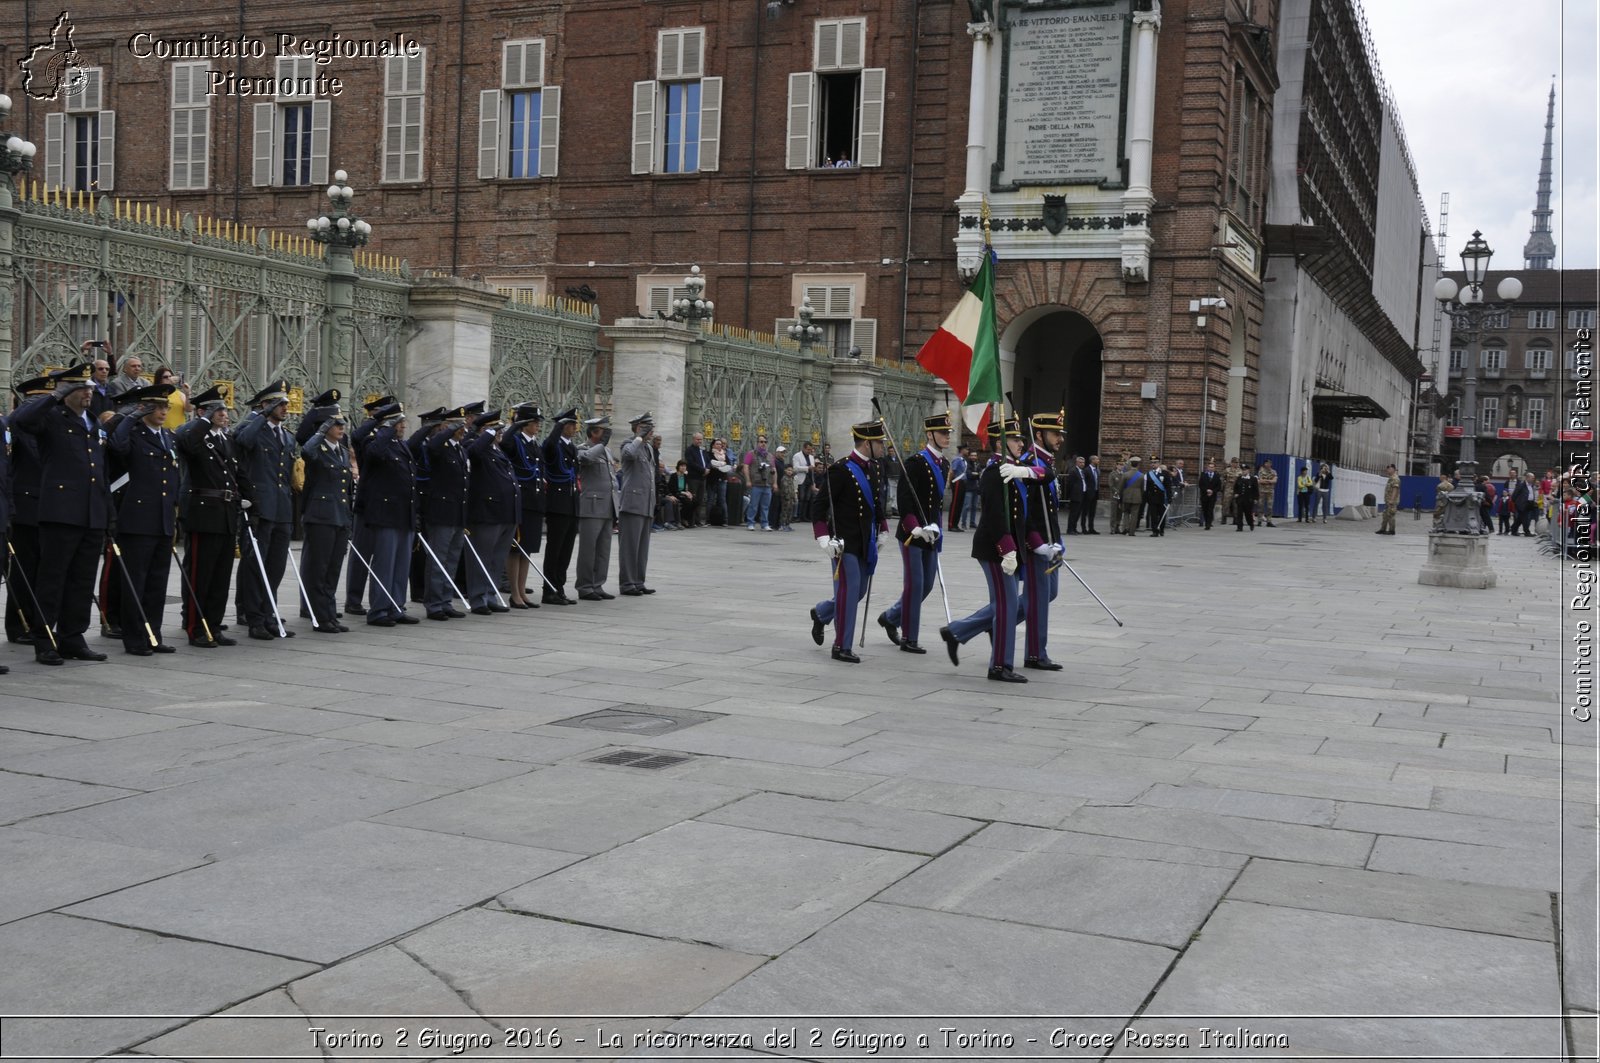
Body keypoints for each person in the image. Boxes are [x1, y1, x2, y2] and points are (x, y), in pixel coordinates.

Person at [10, 364, 112, 665]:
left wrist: (108, 513)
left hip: (91, 512)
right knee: (52, 579)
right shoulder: (52, 418)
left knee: (82, 580)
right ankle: (45, 639)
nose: (88, 393)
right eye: (81, 388)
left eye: (90, 388)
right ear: (66, 390)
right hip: (61, 512)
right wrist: (55, 395)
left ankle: (73, 637)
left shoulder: (93, 422)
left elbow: (99, 472)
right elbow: (20, 419)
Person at [938, 415, 1032, 683]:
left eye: (1021, 440)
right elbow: (992, 515)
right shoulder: (994, 472)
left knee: (1006, 604)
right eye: (1015, 440)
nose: (1021, 444)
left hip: (1008, 548)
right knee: (1007, 606)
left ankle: (957, 632)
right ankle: (999, 666)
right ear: (1001, 443)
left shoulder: (1010, 469)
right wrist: (1007, 549)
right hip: (995, 549)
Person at [104, 383, 181, 655]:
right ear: (144, 407)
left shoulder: (168, 438)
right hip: (137, 518)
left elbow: (172, 476)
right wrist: (132, 416)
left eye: (165, 407)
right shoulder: (133, 434)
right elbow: (116, 445)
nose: (162, 411)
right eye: (156, 406)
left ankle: (153, 634)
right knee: (135, 581)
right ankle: (134, 637)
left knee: (157, 583)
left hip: (161, 519)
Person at [809, 419, 889, 663]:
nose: (883, 447)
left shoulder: (875, 467)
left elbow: (876, 503)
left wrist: (883, 528)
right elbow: (819, 506)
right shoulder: (841, 469)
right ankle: (841, 646)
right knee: (850, 589)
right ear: (867, 443)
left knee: (858, 592)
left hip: (866, 541)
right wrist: (823, 539)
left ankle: (822, 613)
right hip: (843, 543)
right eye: (879, 443)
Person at [173, 385, 242, 648]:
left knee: (220, 577)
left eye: (224, 409)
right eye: (218, 410)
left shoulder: (225, 438)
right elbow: (186, 444)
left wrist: (251, 501)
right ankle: (196, 627)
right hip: (204, 512)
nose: (225, 414)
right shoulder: (193, 433)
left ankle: (214, 624)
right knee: (200, 576)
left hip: (225, 513)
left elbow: (237, 472)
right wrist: (203, 420)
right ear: (203, 412)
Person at [878, 412, 951, 655]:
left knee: (927, 584)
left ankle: (890, 617)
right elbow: (905, 498)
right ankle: (909, 637)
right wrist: (915, 526)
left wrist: (935, 527)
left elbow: (936, 503)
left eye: (948, 433)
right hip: (913, 533)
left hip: (931, 533)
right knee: (915, 584)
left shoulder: (945, 464)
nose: (946, 436)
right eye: (942, 433)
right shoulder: (916, 462)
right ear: (930, 435)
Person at [232, 381, 297, 640]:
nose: (284, 407)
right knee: (254, 564)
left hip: (282, 509)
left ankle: (269, 613)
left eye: (284, 403)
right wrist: (261, 415)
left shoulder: (286, 435)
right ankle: (253, 617)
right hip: (260, 507)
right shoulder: (252, 428)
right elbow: (242, 441)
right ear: (264, 405)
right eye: (278, 403)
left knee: (275, 566)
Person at [357, 403, 419, 627]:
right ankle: (379, 609)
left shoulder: (400, 445)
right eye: (399, 422)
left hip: (404, 513)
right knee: (385, 563)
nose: (403, 426)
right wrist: (385, 429)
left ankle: (396, 606)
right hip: (385, 513)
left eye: (402, 422)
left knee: (401, 564)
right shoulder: (374, 442)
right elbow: (373, 454)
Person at [5, 376, 53, 649]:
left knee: (44, 569)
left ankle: (38, 621)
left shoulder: (47, 426)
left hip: (47, 504)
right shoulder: (17, 426)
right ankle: (18, 623)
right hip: (25, 505)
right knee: (24, 569)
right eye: (36, 400)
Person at [1017, 411, 1065, 670]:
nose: (1059, 439)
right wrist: (1038, 544)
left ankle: (990, 622)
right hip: (1037, 545)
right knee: (1038, 598)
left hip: (1050, 543)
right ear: (1039, 435)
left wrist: (1057, 542)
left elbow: (1051, 510)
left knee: (1050, 593)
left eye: (1060, 434)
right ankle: (1036, 654)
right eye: (1055, 434)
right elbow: (1027, 511)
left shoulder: (1047, 462)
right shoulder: (1028, 463)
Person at [298, 413, 354, 632]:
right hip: (320, 516)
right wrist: (320, 432)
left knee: (333, 569)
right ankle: (319, 616)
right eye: (336, 424)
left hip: (339, 516)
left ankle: (329, 613)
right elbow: (305, 452)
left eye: (342, 424)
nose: (341, 428)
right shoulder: (318, 448)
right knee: (318, 570)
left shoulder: (341, 451)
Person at [341, 395, 394, 617]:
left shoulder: (388, 434)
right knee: (361, 553)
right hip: (367, 500)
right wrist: (377, 422)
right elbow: (358, 439)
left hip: (386, 502)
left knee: (382, 554)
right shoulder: (368, 433)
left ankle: (382, 598)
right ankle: (353, 599)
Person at [418, 408, 470, 621]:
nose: (461, 429)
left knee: (452, 559)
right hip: (441, 511)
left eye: (462, 425)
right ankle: (434, 603)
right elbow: (432, 446)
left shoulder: (460, 449)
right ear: (445, 426)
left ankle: (446, 599)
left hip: (458, 512)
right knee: (438, 559)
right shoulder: (440, 446)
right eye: (456, 425)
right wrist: (448, 431)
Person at [465, 409, 518, 614]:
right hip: (486, 513)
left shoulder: (497, 450)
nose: (498, 433)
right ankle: (478, 598)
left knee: (497, 558)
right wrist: (486, 434)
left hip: (505, 513)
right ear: (484, 430)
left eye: (498, 429)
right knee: (482, 556)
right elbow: (473, 453)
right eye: (494, 429)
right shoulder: (475, 446)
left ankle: (490, 593)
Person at [501, 403, 546, 608]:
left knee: (527, 549)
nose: (537, 426)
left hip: (534, 501)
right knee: (516, 549)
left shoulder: (535, 444)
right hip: (521, 501)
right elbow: (505, 444)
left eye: (537, 422)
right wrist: (514, 425)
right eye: (534, 422)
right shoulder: (516, 441)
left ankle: (522, 590)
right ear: (525, 423)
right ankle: (514, 593)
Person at [575, 416, 618, 600]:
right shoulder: (583, 449)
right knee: (588, 549)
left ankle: (597, 584)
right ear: (593, 432)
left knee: (603, 549)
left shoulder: (606, 451)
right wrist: (600, 445)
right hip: (591, 506)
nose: (606, 434)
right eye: (602, 431)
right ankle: (585, 586)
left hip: (608, 505)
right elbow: (585, 460)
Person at [541, 408, 581, 604]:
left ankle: (559, 587)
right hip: (557, 505)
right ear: (563, 426)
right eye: (571, 424)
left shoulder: (572, 447)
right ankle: (548, 589)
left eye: (574, 424)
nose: (575, 428)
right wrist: (557, 426)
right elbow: (547, 446)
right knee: (554, 549)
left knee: (566, 550)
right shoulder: (553, 445)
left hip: (571, 503)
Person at [618, 412, 657, 596]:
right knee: (630, 546)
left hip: (646, 503)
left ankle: (638, 581)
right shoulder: (629, 444)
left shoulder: (648, 448)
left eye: (651, 427)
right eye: (647, 427)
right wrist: (639, 437)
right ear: (638, 427)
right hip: (632, 502)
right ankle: (627, 583)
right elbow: (628, 455)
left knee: (642, 547)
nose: (652, 431)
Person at [742, 434, 777, 530]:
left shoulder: (770, 456)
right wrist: (748, 480)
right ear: (757, 443)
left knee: (766, 506)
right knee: (753, 505)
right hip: (756, 483)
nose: (763, 444)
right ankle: (750, 522)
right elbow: (746, 467)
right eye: (761, 442)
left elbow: (774, 469)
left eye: (765, 442)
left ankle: (765, 523)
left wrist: (775, 483)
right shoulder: (751, 454)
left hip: (767, 484)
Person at [683, 432, 711, 527]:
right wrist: (703, 470)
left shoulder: (703, 450)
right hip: (694, 477)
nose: (699, 441)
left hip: (703, 478)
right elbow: (691, 463)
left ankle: (698, 520)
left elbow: (707, 460)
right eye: (697, 439)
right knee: (693, 499)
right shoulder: (689, 450)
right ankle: (691, 520)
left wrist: (707, 468)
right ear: (693, 439)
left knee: (700, 499)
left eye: (701, 439)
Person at [1116, 456, 1144, 535]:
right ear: (1138, 465)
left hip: (1126, 496)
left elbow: (1121, 487)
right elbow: (1142, 489)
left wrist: (1120, 497)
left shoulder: (1125, 474)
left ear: (1130, 464)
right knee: (1134, 515)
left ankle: (1125, 529)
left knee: (1126, 513)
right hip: (1137, 497)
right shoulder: (1141, 475)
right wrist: (1140, 496)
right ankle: (1132, 532)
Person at [792, 440, 817, 524]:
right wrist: (807, 468)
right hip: (801, 479)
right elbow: (795, 468)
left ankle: (804, 516)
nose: (809, 451)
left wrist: (813, 482)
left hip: (809, 479)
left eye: (810, 450)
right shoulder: (797, 456)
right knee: (801, 498)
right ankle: (798, 516)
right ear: (804, 448)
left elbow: (812, 469)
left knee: (807, 498)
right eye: (808, 449)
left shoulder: (811, 457)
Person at [959, 446, 983, 530]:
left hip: (976, 488)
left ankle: (972, 523)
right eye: (972, 455)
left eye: (975, 455)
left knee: (974, 507)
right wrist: (977, 474)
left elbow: (981, 474)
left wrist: (976, 474)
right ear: (969, 456)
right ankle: (963, 523)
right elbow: (969, 475)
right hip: (968, 488)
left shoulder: (978, 464)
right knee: (966, 506)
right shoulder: (967, 464)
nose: (974, 457)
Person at [1144, 459, 1169, 535]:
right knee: (1153, 515)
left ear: (1159, 463)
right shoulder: (1148, 474)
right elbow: (1146, 488)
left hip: (1162, 498)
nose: (1153, 464)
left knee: (1162, 515)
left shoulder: (1164, 473)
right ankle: (1155, 531)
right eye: (1151, 463)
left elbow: (1168, 486)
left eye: (1155, 463)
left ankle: (1161, 529)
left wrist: (1169, 497)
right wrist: (1146, 498)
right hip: (1152, 498)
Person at [774, 444, 796, 530]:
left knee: (789, 511)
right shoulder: (784, 478)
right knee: (784, 512)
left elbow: (792, 488)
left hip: (790, 498)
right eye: (781, 452)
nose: (783, 454)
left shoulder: (790, 478)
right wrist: (787, 495)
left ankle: (787, 524)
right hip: (785, 497)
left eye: (784, 453)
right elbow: (785, 488)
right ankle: (782, 524)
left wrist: (794, 496)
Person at [1233, 461, 1259, 531]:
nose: (1243, 471)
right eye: (1242, 470)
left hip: (1249, 499)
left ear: (1248, 470)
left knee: (1248, 514)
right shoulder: (1239, 478)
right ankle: (1239, 526)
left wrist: (1256, 498)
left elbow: (1256, 490)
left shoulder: (1253, 479)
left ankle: (1251, 523)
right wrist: (1235, 493)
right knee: (1239, 513)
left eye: (1245, 470)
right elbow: (1235, 487)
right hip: (1240, 499)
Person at [1200, 457, 1223, 529]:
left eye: (1212, 467)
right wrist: (1206, 490)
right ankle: (1207, 521)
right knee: (1205, 510)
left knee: (1210, 509)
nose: (1211, 468)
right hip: (1204, 495)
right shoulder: (1203, 474)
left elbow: (1219, 486)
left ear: (1214, 468)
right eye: (1209, 467)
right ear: (1207, 467)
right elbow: (1200, 484)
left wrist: (1213, 491)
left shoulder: (1217, 476)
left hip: (1212, 496)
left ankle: (1208, 524)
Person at [1377, 464, 1401, 535]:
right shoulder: (1391, 478)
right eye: (1387, 469)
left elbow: (1395, 489)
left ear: (1394, 469)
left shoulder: (1395, 478)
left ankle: (1391, 530)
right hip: (1388, 501)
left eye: (1389, 469)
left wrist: (1392, 500)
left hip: (1392, 501)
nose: (1388, 470)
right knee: (1385, 515)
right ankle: (1382, 529)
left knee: (1391, 515)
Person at [1080, 454, 1101, 533]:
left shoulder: (1097, 470)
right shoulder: (1086, 470)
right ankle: (1084, 528)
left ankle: (1091, 528)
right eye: (1097, 459)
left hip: (1095, 493)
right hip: (1088, 494)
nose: (1098, 461)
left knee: (1092, 512)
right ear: (1092, 460)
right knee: (1085, 512)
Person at [1256, 460, 1278, 526]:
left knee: (1269, 507)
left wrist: (1266, 480)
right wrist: (1269, 481)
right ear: (1264, 464)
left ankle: (1269, 521)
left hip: (1270, 492)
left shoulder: (1274, 471)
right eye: (1266, 463)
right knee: (1260, 506)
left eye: (1269, 463)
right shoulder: (1261, 471)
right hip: (1262, 491)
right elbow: (1260, 481)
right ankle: (1259, 520)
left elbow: (1275, 481)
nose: (1268, 464)